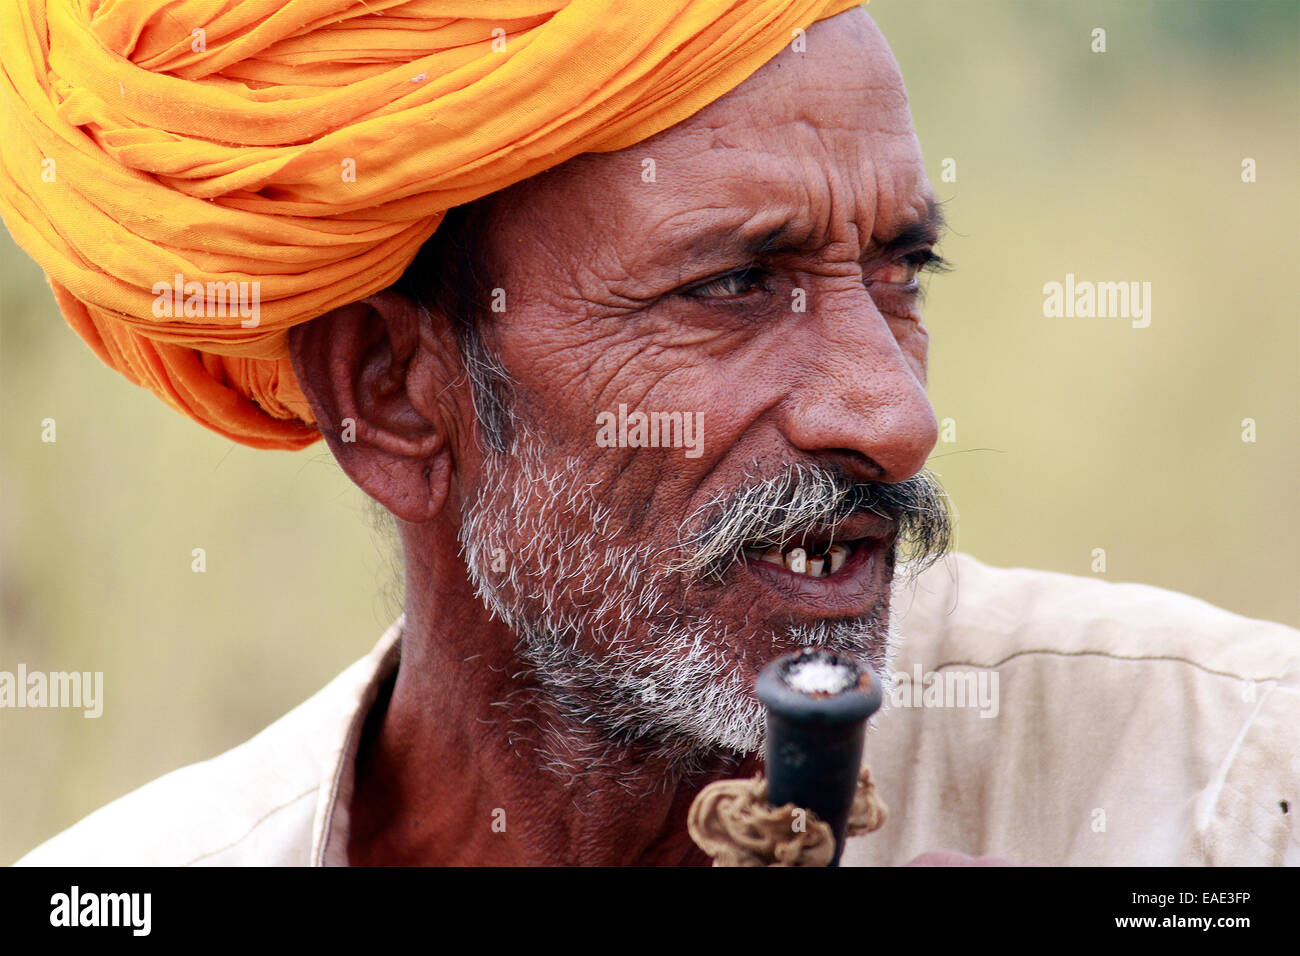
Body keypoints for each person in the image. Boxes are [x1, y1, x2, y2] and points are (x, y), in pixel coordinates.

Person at [4, 1, 1295, 866]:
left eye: (903, 272)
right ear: (393, 394)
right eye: (732, 287)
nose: (894, 417)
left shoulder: (1226, 788)